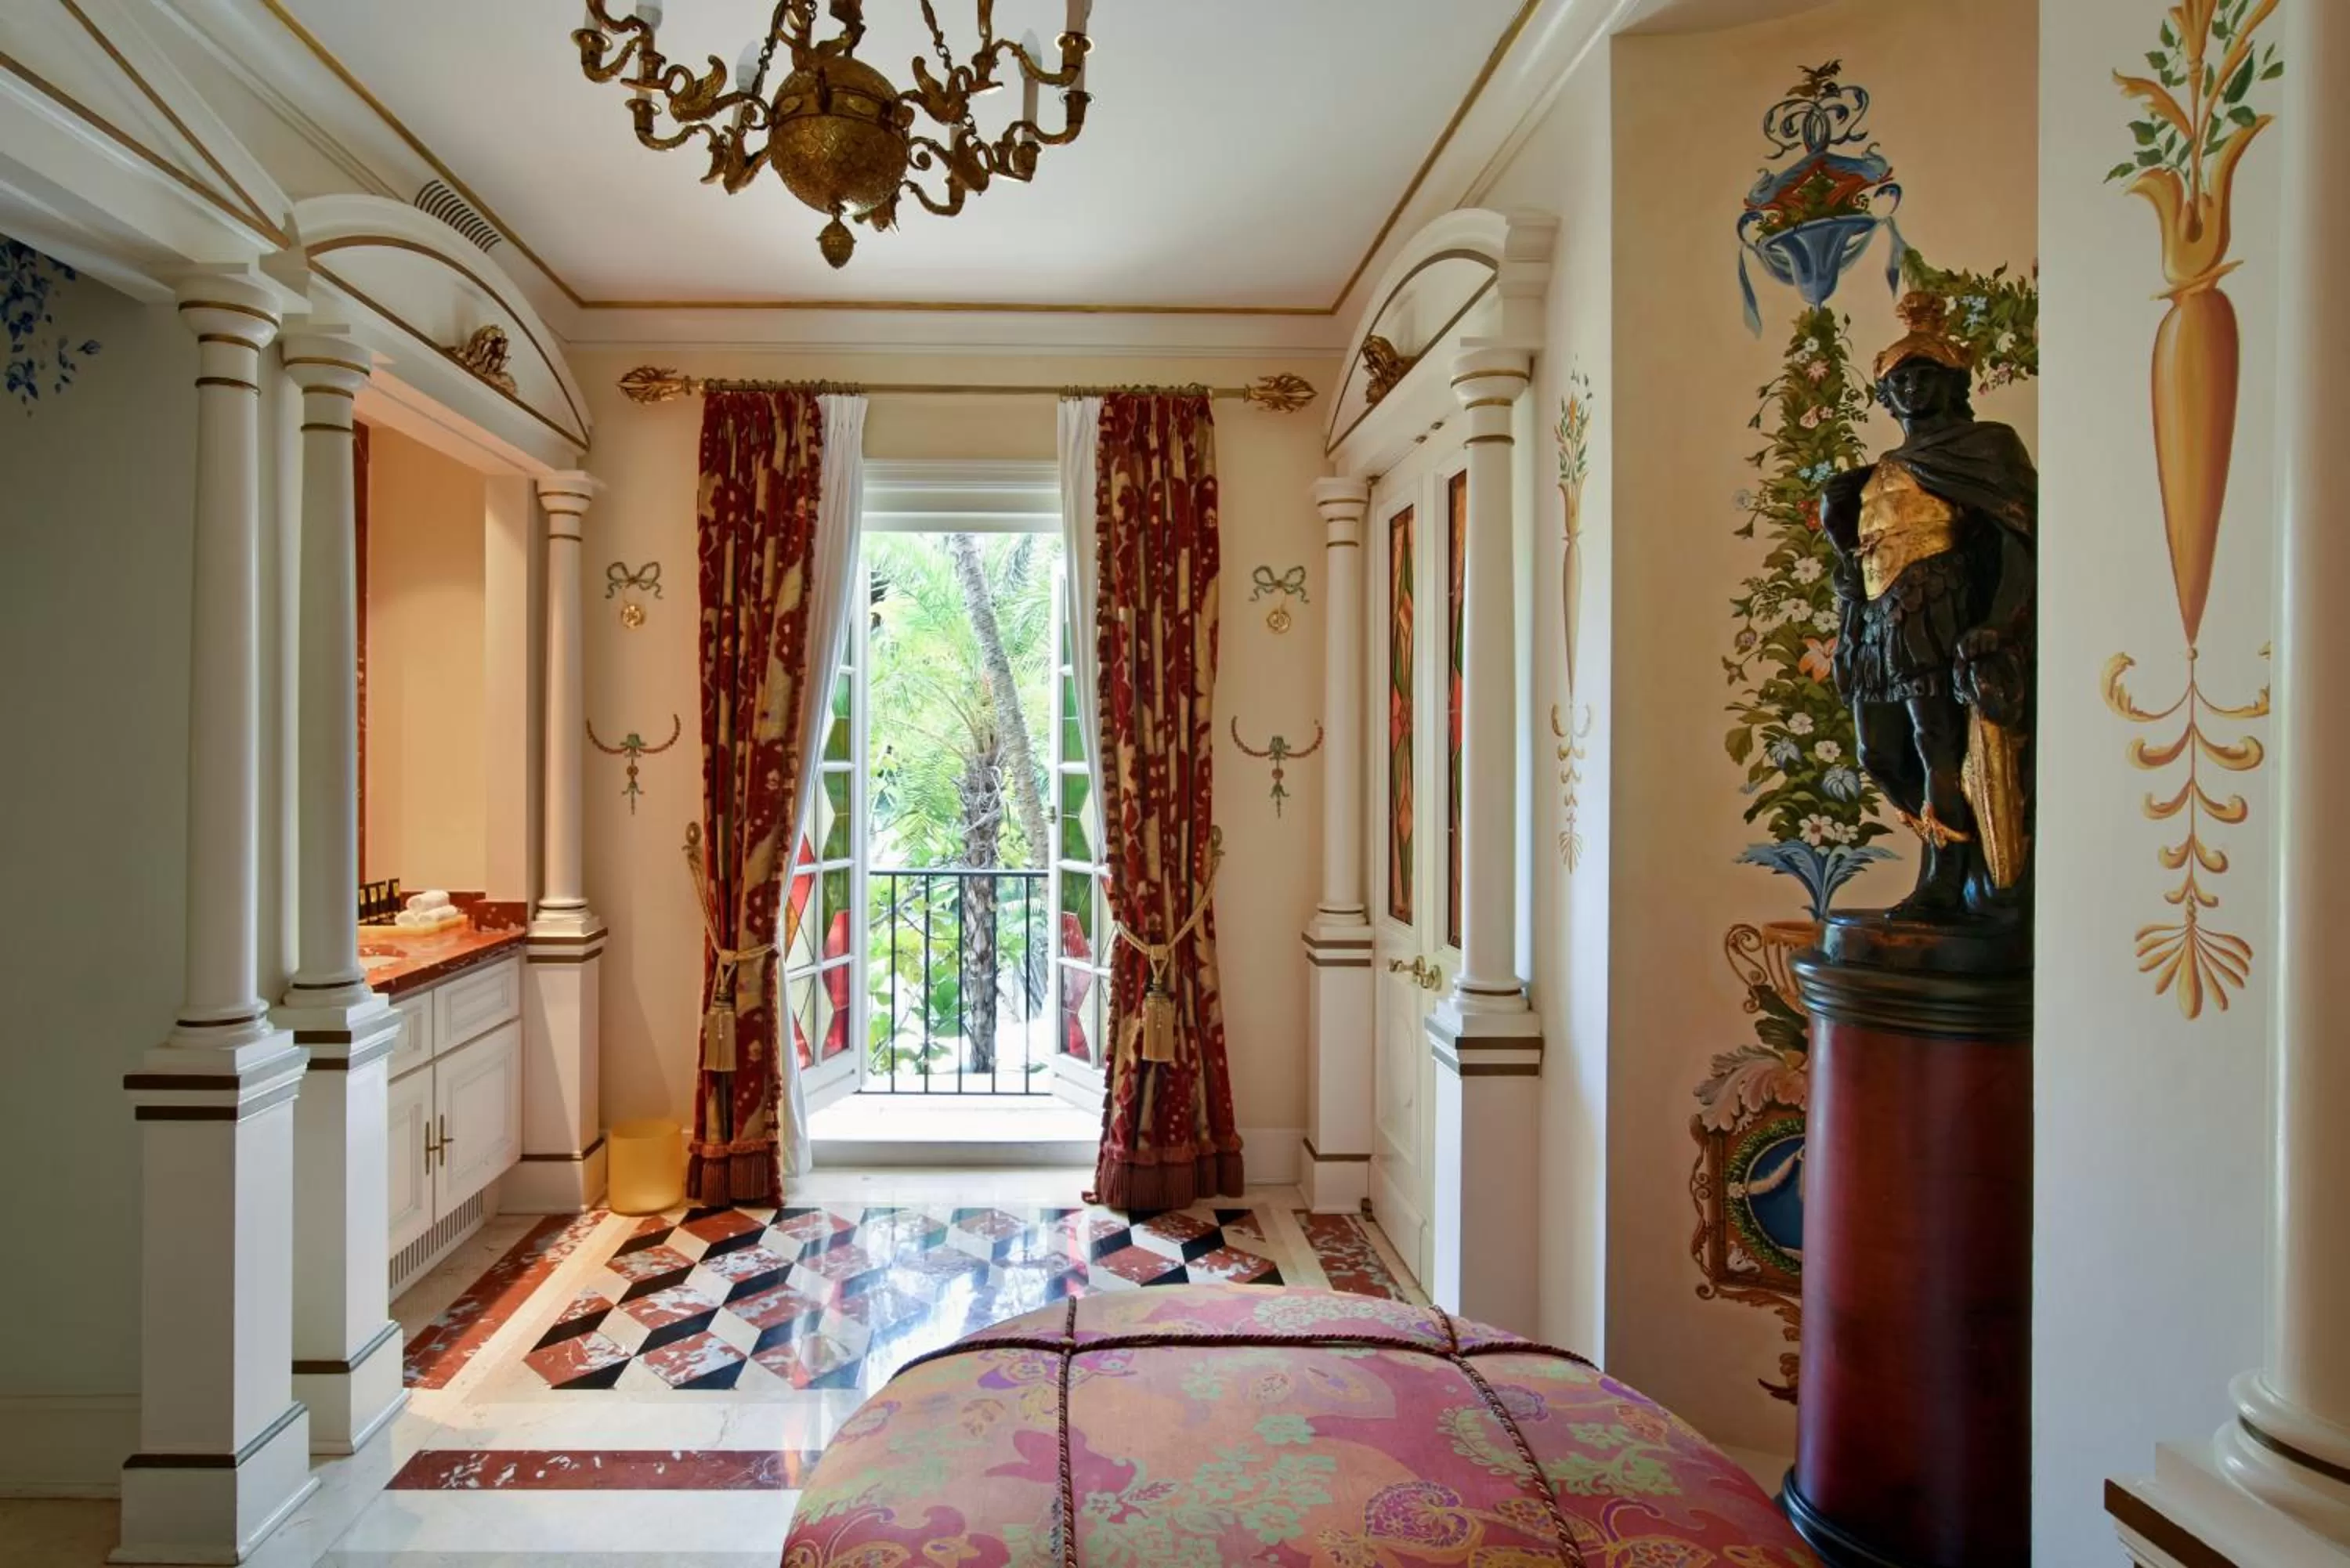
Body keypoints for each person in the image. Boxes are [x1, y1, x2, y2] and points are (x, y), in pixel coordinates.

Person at [1820, 291, 2037, 919]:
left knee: (1938, 742)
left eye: (1926, 375)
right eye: (1901, 379)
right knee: (1880, 754)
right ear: (1886, 395)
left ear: (1954, 383)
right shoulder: (1879, 470)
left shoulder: (1987, 448)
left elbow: (2017, 539)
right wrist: (1844, 554)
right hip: (1882, 622)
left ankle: (1947, 880)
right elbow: (1859, 564)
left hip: (1943, 613)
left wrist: (1999, 623)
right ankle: (1943, 851)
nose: (1913, 387)